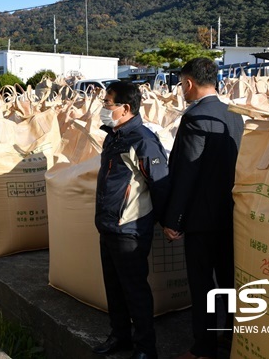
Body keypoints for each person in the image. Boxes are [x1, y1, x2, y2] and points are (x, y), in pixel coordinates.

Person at [161, 58, 243, 359]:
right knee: (230, 281)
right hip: (231, 214)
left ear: (189, 83)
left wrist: (174, 219)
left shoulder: (195, 117)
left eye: (182, 84)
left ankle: (203, 348)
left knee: (202, 285)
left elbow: (187, 173)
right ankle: (234, 338)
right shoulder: (234, 115)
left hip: (201, 219)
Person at [92, 82, 169, 359]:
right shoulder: (113, 135)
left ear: (125, 108)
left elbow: (160, 184)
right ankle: (120, 336)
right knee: (114, 287)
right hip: (108, 224)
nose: (103, 108)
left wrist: (167, 221)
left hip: (130, 227)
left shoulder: (143, 140)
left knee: (135, 290)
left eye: (107, 103)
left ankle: (146, 348)